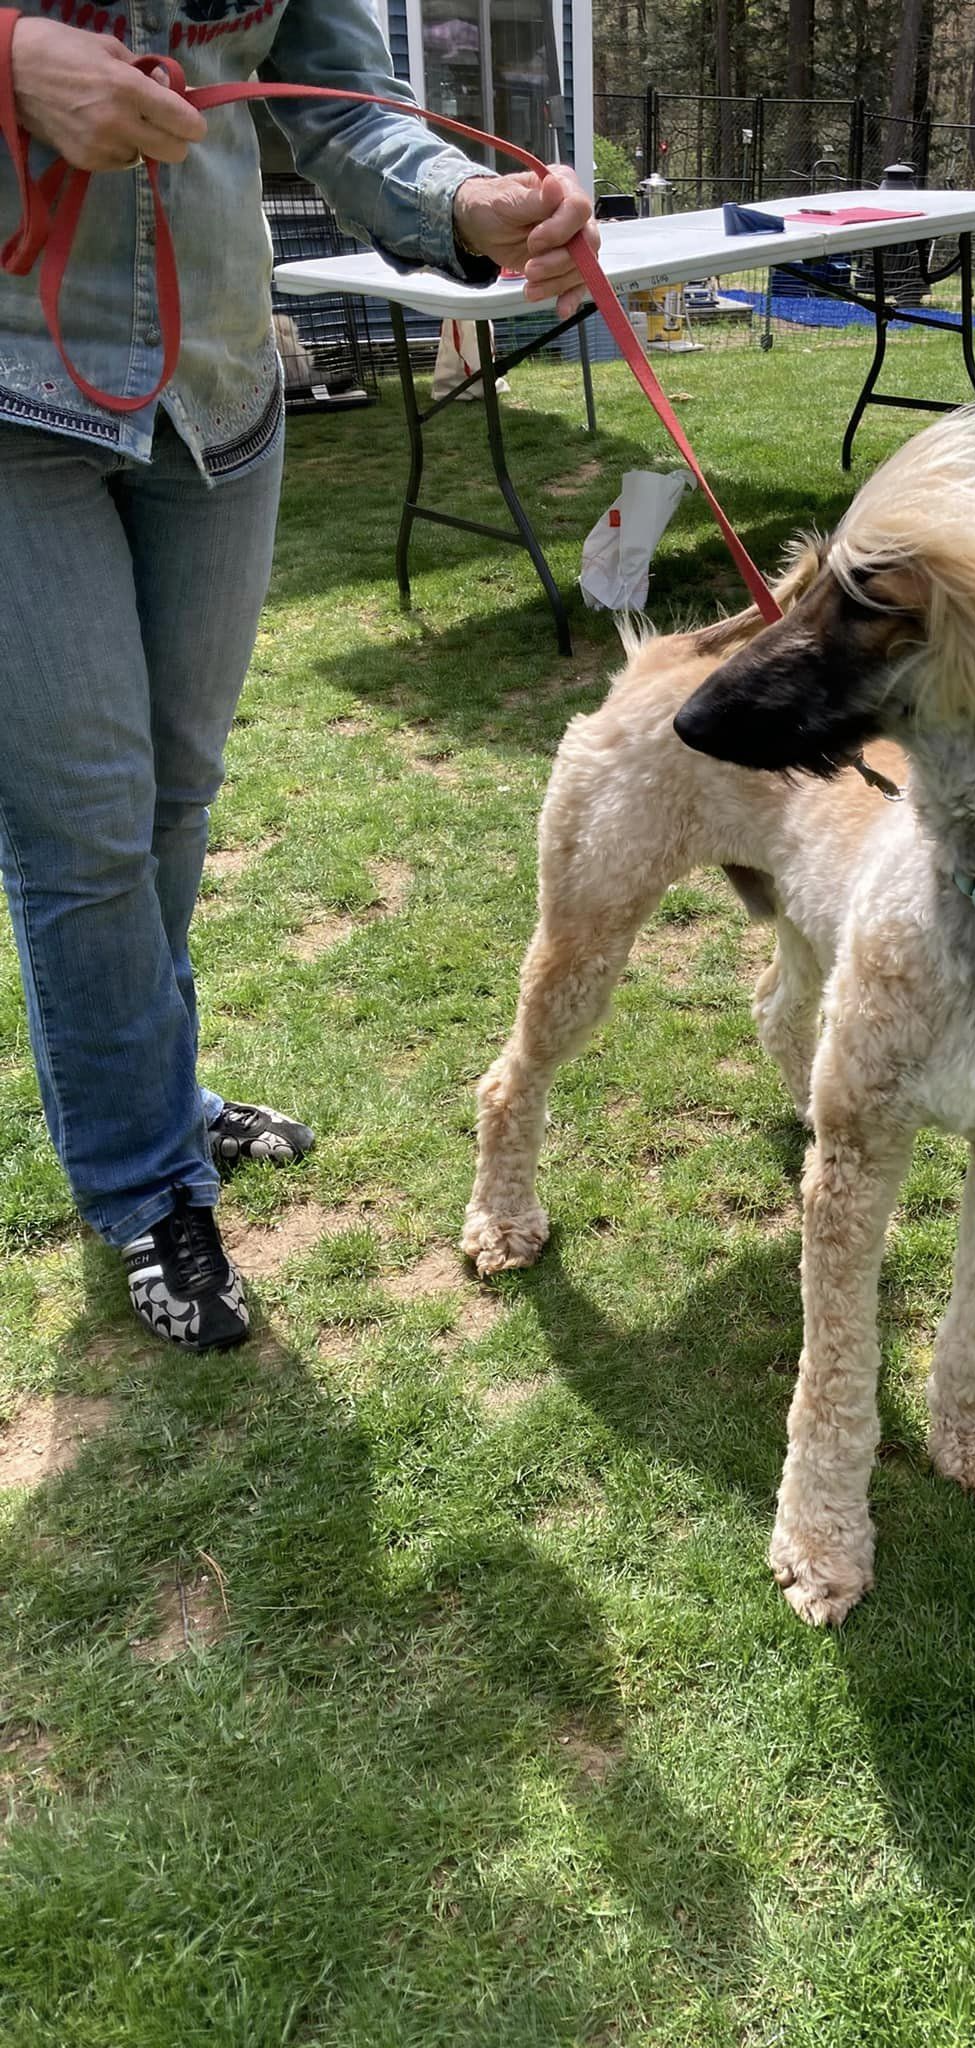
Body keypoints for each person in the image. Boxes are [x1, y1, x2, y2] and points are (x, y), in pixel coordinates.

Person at [0, 0, 594, 1351]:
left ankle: (159, 1091)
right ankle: (147, 1178)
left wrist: (467, 200)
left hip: (219, 384)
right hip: (14, 388)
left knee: (176, 793)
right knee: (84, 819)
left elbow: (335, 96)